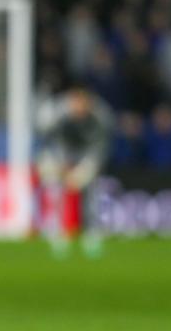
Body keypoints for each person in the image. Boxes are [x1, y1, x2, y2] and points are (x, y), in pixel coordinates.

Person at [34, 85, 113, 258]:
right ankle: (56, 234)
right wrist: (62, 165)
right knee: (53, 187)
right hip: (63, 156)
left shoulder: (99, 118)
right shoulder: (59, 117)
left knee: (90, 192)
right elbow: (50, 140)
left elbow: (98, 150)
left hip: (86, 158)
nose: (78, 108)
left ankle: (92, 236)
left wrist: (80, 169)